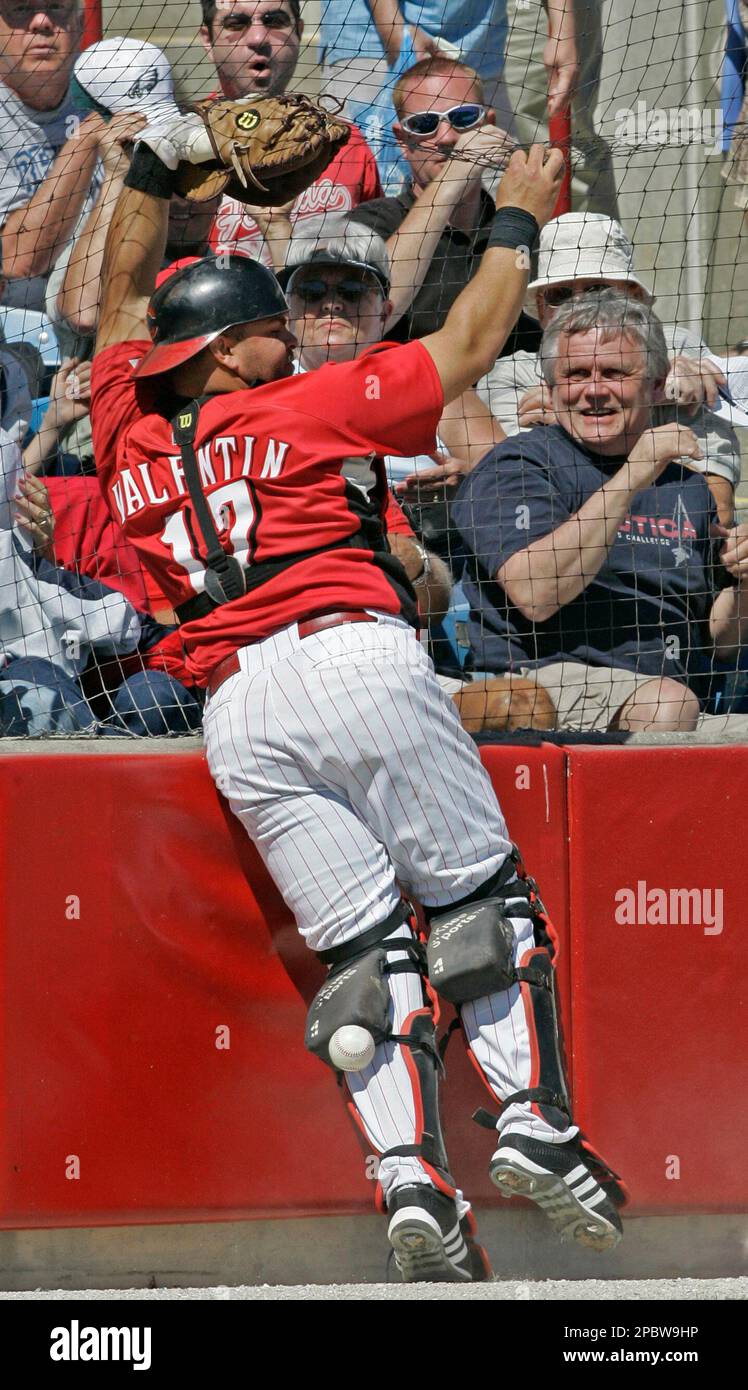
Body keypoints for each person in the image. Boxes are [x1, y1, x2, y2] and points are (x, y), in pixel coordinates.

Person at [90, 111, 626, 1281]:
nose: (288, 338)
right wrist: (524, 212)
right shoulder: (300, 408)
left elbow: (122, 301)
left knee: (367, 961)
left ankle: (409, 1183)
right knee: (484, 907)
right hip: (347, 653)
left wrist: (145, 172)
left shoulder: (125, 429)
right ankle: (535, 1124)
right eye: (268, 329)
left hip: (237, 710)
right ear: (225, 352)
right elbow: (476, 341)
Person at [453, 290, 748, 734]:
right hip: (540, 694)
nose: (594, 391)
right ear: (551, 388)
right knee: (666, 705)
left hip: (681, 702)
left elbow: (721, 642)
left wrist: (744, 581)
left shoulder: (688, 487)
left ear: (655, 382)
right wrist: (631, 477)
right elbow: (537, 594)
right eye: (575, 374)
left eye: (614, 372)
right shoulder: (518, 466)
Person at [478, 212, 742, 528]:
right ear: (542, 306)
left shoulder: (681, 352)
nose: (577, 305)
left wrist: (570, 424)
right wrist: (646, 402)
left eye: (596, 290)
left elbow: (715, 510)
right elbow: (531, 503)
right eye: (560, 294)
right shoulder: (511, 376)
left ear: (632, 296)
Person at [349, 56, 539, 353]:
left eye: (463, 117)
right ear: (402, 140)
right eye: (425, 124)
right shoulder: (369, 224)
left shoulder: (519, 223)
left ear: (488, 124)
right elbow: (371, 313)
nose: (447, 137)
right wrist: (455, 175)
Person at [319, 0, 577, 195]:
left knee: (498, 193)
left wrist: (563, 30)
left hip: (479, 42)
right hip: (371, 41)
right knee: (361, 197)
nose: (446, 138)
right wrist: (395, 30)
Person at [199, 0, 383, 267]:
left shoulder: (343, 142)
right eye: (236, 24)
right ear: (208, 39)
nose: (258, 38)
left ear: (298, 31)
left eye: (275, 21)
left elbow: (374, 265)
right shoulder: (184, 146)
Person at [0, 0, 104, 309]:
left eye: (57, 7)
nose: (42, 22)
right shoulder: (101, 111)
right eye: (20, 10)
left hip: (104, 314)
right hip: (16, 329)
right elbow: (20, 259)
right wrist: (89, 133)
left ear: (80, 23)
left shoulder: (109, 84)